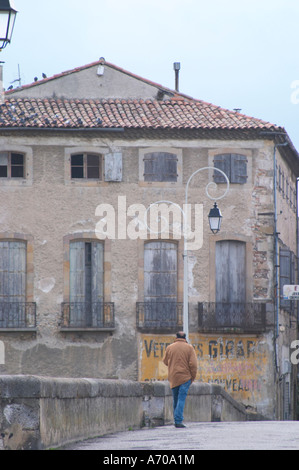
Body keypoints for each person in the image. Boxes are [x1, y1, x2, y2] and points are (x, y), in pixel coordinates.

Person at [163, 331, 198, 428]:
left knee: (175, 399)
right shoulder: (189, 348)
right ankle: (178, 420)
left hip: (173, 377)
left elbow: (165, 361)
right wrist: (192, 377)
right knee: (181, 398)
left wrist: (173, 365)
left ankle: (176, 419)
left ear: (176, 337)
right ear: (185, 338)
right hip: (185, 377)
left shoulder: (170, 347)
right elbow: (193, 365)